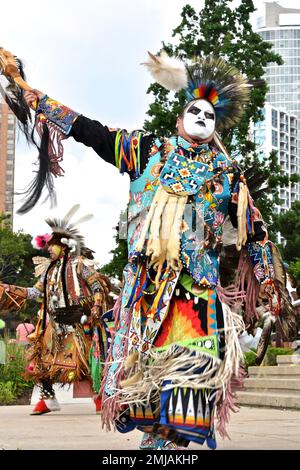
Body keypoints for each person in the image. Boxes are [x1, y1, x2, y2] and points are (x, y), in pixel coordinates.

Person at [0, 49, 296, 448]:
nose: (202, 119)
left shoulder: (227, 176)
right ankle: (154, 445)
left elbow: (255, 233)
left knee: (190, 385)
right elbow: (92, 132)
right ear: (179, 119)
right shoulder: (147, 152)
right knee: (145, 394)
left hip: (196, 293)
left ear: (215, 127)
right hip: (147, 292)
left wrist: (272, 285)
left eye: (210, 116)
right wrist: (38, 98)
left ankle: (169, 447)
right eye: (195, 111)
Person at [0, 206, 112, 415]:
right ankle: (47, 401)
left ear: (65, 247)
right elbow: (35, 292)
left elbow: (97, 285)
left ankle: (98, 398)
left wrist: (96, 305)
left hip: (77, 322)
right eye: (48, 246)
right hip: (53, 325)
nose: (49, 249)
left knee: (84, 362)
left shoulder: (79, 265)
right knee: (43, 362)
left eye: (53, 245)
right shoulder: (48, 271)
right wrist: (10, 289)